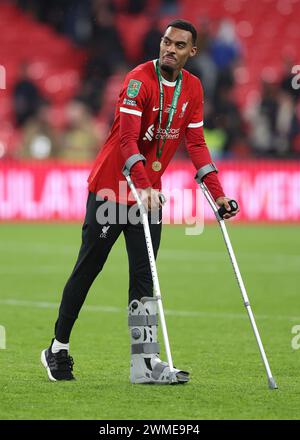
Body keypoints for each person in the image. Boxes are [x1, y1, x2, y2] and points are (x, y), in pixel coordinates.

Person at [41, 19, 239, 385]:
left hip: (148, 196)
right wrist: (145, 187)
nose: (170, 49)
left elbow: (195, 144)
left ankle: (143, 362)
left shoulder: (193, 88)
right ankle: (57, 347)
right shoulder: (137, 80)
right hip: (111, 191)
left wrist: (218, 192)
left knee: (144, 279)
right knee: (89, 270)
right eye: (166, 42)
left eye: (180, 45)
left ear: (191, 52)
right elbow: (127, 141)